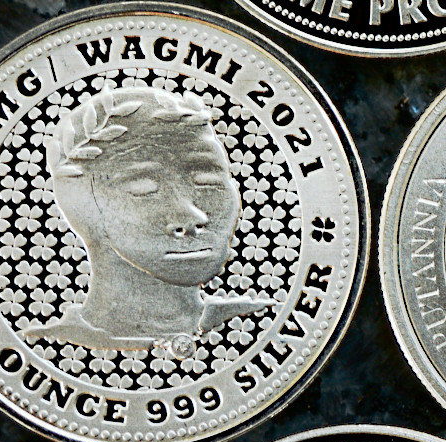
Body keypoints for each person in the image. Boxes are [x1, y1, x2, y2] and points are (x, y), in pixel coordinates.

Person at [26, 84, 270, 351]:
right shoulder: (43, 345)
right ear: (81, 206)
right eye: (144, 189)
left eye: (206, 180)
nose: (193, 216)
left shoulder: (261, 322)